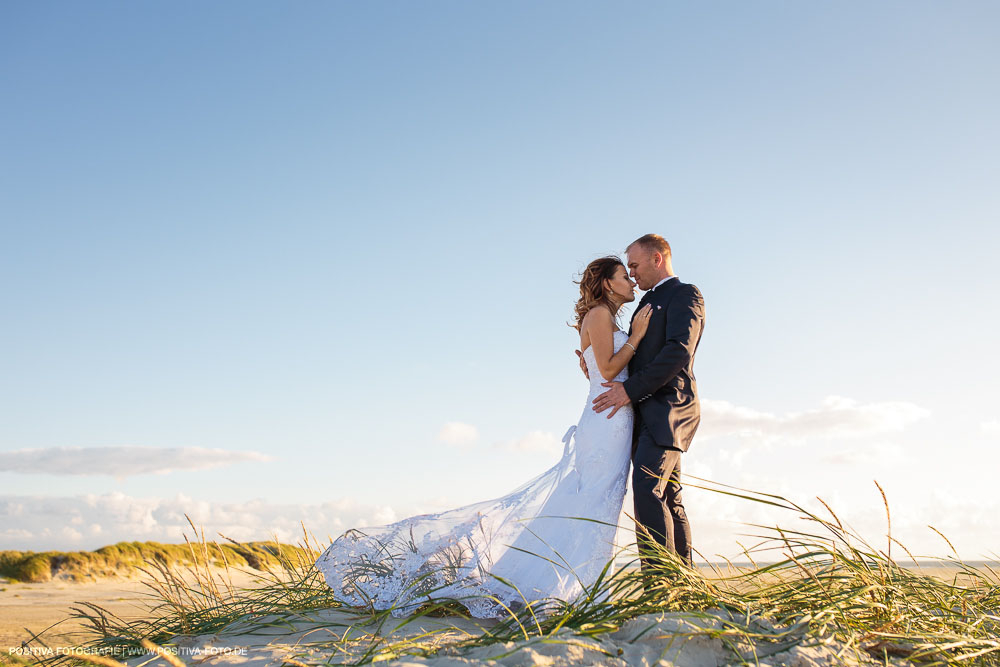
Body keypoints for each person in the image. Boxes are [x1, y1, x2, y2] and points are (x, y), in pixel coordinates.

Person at [313, 256, 652, 619]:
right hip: (606, 421)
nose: (631, 281)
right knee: (596, 504)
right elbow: (608, 368)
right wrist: (636, 338)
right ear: (606, 284)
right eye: (624, 276)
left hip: (609, 417)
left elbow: (597, 372)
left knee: (592, 504)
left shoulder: (603, 317)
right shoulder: (600, 314)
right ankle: (580, 593)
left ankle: (569, 588)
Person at [591, 234, 705, 572]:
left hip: (670, 408)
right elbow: (631, 357)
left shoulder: (685, 294)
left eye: (636, 266)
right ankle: (682, 584)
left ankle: (660, 586)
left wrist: (628, 391)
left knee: (647, 490)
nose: (633, 273)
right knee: (668, 497)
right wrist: (593, 365)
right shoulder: (642, 305)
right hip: (643, 412)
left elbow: (677, 351)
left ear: (658, 259)